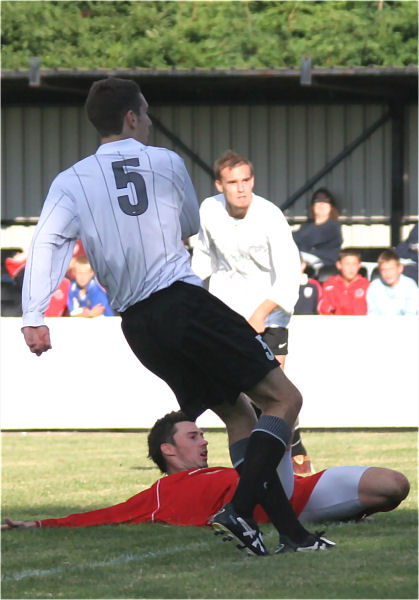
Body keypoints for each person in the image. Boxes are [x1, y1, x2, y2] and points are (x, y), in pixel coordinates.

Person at [20, 77, 329, 556]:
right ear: (130, 117)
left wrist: (34, 314)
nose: (148, 120)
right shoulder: (165, 161)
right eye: (144, 113)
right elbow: (188, 224)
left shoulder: (70, 180)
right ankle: (241, 511)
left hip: (138, 327)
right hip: (181, 302)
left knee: (237, 413)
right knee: (284, 400)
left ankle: (292, 536)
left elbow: (47, 244)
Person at [2, 410, 409, 557]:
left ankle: (276, 414)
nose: (204, 441)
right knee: (270, 415)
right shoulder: (160, 493)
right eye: (193, 436)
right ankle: (274, 407)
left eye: (202, 434)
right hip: (278, 503)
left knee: (395, 485)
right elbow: (106, 516)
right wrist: (40, 524)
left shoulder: (220, 466)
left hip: (302, 491)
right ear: (168, 450)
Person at [191, 150, 313, 475]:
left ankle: (291, 455)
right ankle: (257, 472)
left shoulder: (270, 215)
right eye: (233, 182)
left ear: (253, 181)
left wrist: (261, 313)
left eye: (246, 180)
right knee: (242, 397)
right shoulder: (208, 210)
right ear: (220, 185)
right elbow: (203, 260)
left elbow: (289, 274)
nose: (241, 188)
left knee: (274, 395)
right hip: (228, 314)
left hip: (270, 315)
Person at [292, 188, 342, 270]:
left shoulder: (334, 226)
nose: (321, 203)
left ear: (331, 206)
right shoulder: (306, 226)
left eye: (326, 200)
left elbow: (310, 240)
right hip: (304, 261)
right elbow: (294, 239)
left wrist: (304, 246)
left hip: (325, 265)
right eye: (317, 200)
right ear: (312, 205)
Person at [318, 249, 370, 315]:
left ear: (359, 266)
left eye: (354, 264)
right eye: (347, 264)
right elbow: (324, 310)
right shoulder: (329, 285)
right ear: (339, 265)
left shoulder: (367, 286)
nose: (351, 268)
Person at [367, 249, 418, 316]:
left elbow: (411, 313)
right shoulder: (374, 286)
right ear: (379, 271)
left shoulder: (410, 285)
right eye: (384, 270)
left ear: (400, 269)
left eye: (391, 269)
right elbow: (372, 313)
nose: (388, 273)